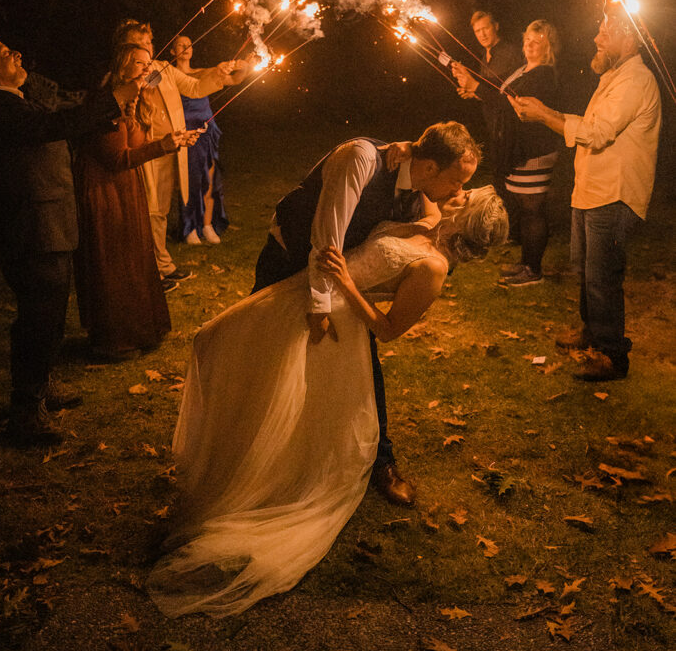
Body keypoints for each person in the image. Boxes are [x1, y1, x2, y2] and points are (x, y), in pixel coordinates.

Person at [148, 186, 508, 618]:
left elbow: (389, 328)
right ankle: (229, 451)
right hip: (303, 290)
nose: (460, 192)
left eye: (468, 196)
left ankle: (263, 481)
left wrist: (344, 282)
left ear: (464, 220)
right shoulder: (430, 220)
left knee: (272, 385)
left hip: (335, 320)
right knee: (215, 342)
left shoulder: (433, 268)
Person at [252, 122, 481, 505]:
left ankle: (380, 460)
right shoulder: (361, 159)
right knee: (268, 353)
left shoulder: (419, 181)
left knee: (361, 367)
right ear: (429, 169)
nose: (458, 191)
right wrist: (319, 306)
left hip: (344, 284)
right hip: (289, 258)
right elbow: (326, 236)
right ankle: (259, 447)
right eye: (456, 182)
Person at [0, 32, 140, 444]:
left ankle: (42, 384)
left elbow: (65, 111)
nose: (16, 51)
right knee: (39, 318)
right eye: (3, 51)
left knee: (49, 315)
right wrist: (114, 98)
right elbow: (52, 125)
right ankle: (25, 413)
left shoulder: (17, 96)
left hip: (49, 222)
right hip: (32, 228)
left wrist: (112, 104)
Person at [509, 8, 661, 381]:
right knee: (586, 270)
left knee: (602, 276)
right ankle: (591, 333)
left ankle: (612, 355)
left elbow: (596, 134)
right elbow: (590, 125)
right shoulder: (614, 75)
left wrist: (545, 114)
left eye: (604, 34)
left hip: (614, 193)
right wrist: (547, 113)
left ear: (628, 40)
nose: (596, 39)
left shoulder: (635, 80)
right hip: (592, 190)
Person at [74, 44, 201, 360]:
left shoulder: (128, 101)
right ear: (123, 66)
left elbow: (137, 142)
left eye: (149, 64)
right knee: (116, 264)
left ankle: (139, 330)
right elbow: (117, 157)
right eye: (140, 65)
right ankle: (115, 339)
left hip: (123, 189)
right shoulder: (104, 101)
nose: (148, 70)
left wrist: (170, 141)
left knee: (132, 260)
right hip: (105, 192)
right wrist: (162, 148)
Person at [112, 21, 248, 292]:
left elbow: (195, 88)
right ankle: (149, 269)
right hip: (144, 149)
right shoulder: (129, 74)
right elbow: (132, 98)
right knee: (148, 210)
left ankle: (161, 264)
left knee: (160, 210)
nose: (148, 48)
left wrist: (218, 74)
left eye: (149, 43)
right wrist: (141, 79)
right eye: (141, 44)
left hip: (168, 149)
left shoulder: (164, 68)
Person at [453, 20, 561, 287]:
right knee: (525, 211)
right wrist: (474, 89)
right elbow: (502, 99)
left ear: (548, 46)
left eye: (537, 41)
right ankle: (526, 263)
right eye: (527, 40)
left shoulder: (544, 75)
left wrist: (476, 86)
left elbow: (514, 105)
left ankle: (533, 270)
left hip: (534, 151)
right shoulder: (524, 69)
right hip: (519, 149)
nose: (529, 45)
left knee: (532, 210)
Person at [457, 11, 520, 226]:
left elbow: (504, 92)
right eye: (477, 31)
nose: (481, 34)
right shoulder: (486, 55)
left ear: (496, 26)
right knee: (499, 176)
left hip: (510, 124)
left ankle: (514, 226)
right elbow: (490, 93)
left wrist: (473, 84)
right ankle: (508, 225)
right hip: (494, 125)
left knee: (509, 178)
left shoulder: (508, 53)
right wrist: (472, 92)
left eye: (485, 28)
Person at [170, 35, 228, 246]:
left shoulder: (202, 72)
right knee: (191, 181)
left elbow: (230, 77)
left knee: (210, 179)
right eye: (180, 45)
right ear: (172, 51)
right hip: (186, 132)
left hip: (207, 129)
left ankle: (207, 225)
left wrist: (242, 65)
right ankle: (189, 227)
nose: (186, 47)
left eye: (189, 44)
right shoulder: (171, 75)